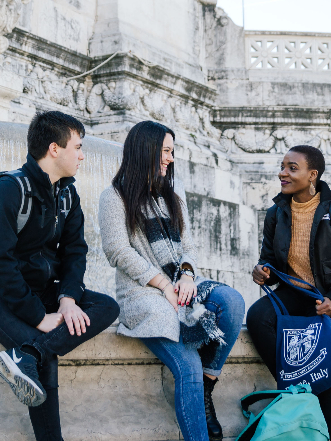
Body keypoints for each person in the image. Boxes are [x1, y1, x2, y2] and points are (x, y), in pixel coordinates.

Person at [0, 111, 120, 441]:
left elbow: (75, 252)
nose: (82, 155)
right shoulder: (8, 191)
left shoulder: (67, 195)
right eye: (78, 147)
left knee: (107, 306)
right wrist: (39, 317)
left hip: (42, 290)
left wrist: (67, 299)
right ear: (55, 149)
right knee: (45, 358)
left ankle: (29, 354)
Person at [99, 121, 245, 441]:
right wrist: (164, 285)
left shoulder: (172, 194)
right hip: (142, 292)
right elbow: (118, 252)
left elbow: (188, 247)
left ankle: (208, 384)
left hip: (181, 283)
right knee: (187, 367)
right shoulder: (114, 196)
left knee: (232, 302)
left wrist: (188, 276)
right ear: (146, 151)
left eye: (172, 152)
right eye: (165, 151)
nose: (170, 158)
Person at [246, 145, 331, 441]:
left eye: (292, 168)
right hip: (294, 293)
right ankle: (297, 386)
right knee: (258, 316)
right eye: (282, 166)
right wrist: (262, 269)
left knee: (318, 359)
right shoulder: (276, 214)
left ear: (312, 175)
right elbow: (269, 257)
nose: (283, 173)